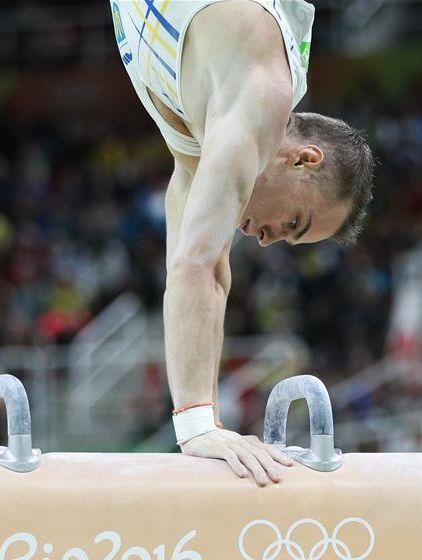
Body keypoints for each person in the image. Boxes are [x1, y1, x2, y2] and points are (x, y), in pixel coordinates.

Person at [111, 0, 375, 485]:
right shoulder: (261, 95)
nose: (271, 241)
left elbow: (200, 273)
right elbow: (198, 267)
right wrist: (197, 429)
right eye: (295, 222)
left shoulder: (203, 134)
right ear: (304, 159)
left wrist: (208, 420)